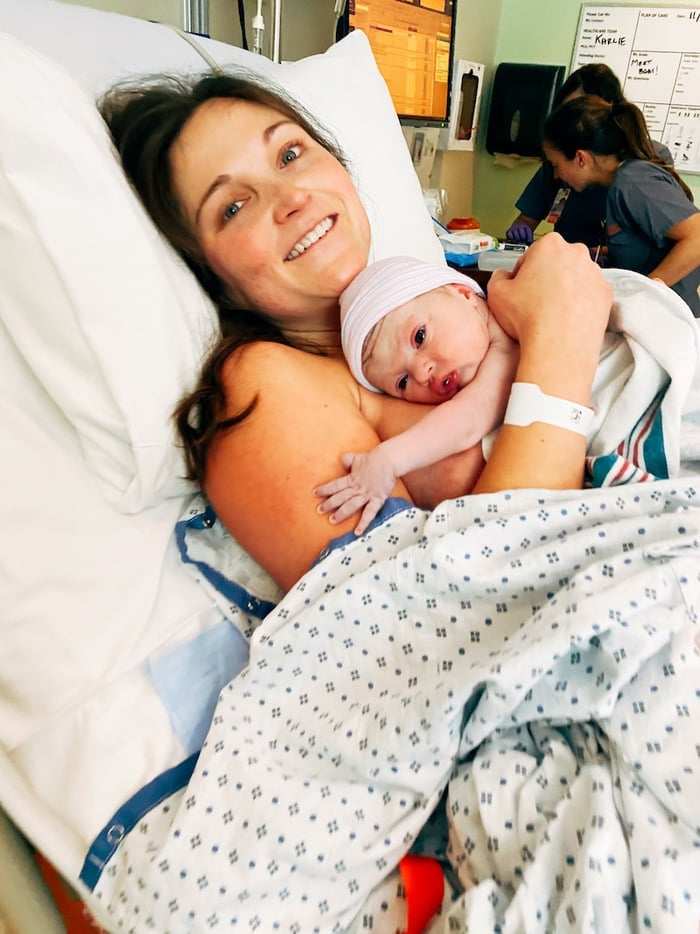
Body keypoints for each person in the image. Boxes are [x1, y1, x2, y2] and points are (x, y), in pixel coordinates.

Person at [100, 72, 612, 591]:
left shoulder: (428, 307)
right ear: (211, 278)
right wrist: (565, 336)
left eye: (290, 154)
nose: (290, 197)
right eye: (233, 207)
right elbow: (434, 621)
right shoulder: (263, 384)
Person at [314, 256, 519, 534]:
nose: (422, 373)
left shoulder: (506, 338)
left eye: (420, 337)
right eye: (402, 382)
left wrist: (387, 460)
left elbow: (469, 418)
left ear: (463, 293)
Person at [542, 95, 700, 317]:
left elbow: (697, 236)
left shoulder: (633, 180)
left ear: (580, 158)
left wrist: (645, 291)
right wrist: (596, 253)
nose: (557, 174)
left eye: (556, 165)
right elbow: (648, 246)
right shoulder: (619, 185)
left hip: (668, 318)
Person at [505, 63, 673, 253]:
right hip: (571, 267)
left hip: (622, 271)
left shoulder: (640, 167)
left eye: (584, 109)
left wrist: (607, 255)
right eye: (567, 111)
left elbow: (677, 236)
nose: (572, 119)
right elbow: (527, 218)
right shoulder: (559, 162)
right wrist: (520, 232)